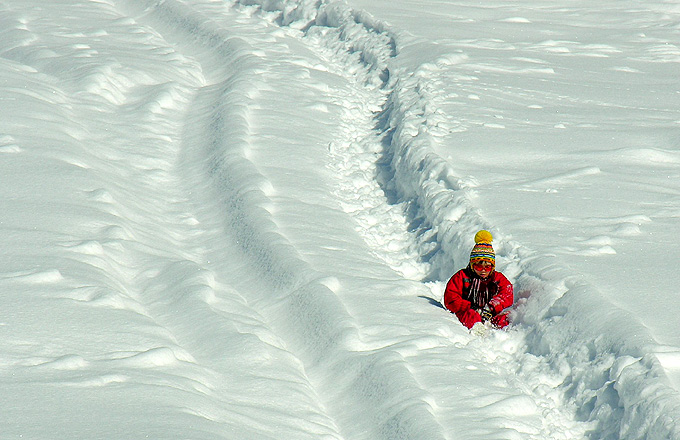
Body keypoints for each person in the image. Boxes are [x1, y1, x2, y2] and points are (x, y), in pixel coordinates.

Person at [444, 230, 513, 330]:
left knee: (507, 317)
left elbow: (507, 293)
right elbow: (451, 297)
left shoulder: (496, 278)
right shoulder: (462, 276)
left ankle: (502, 332)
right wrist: (470, 307)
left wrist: (491, 308)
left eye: (488, 267)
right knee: (471, 316)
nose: (483, 271)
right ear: (472, 266)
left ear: (492, 267)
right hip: (468, 311)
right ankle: (477, 329)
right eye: (479, 267)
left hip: (489, 314)